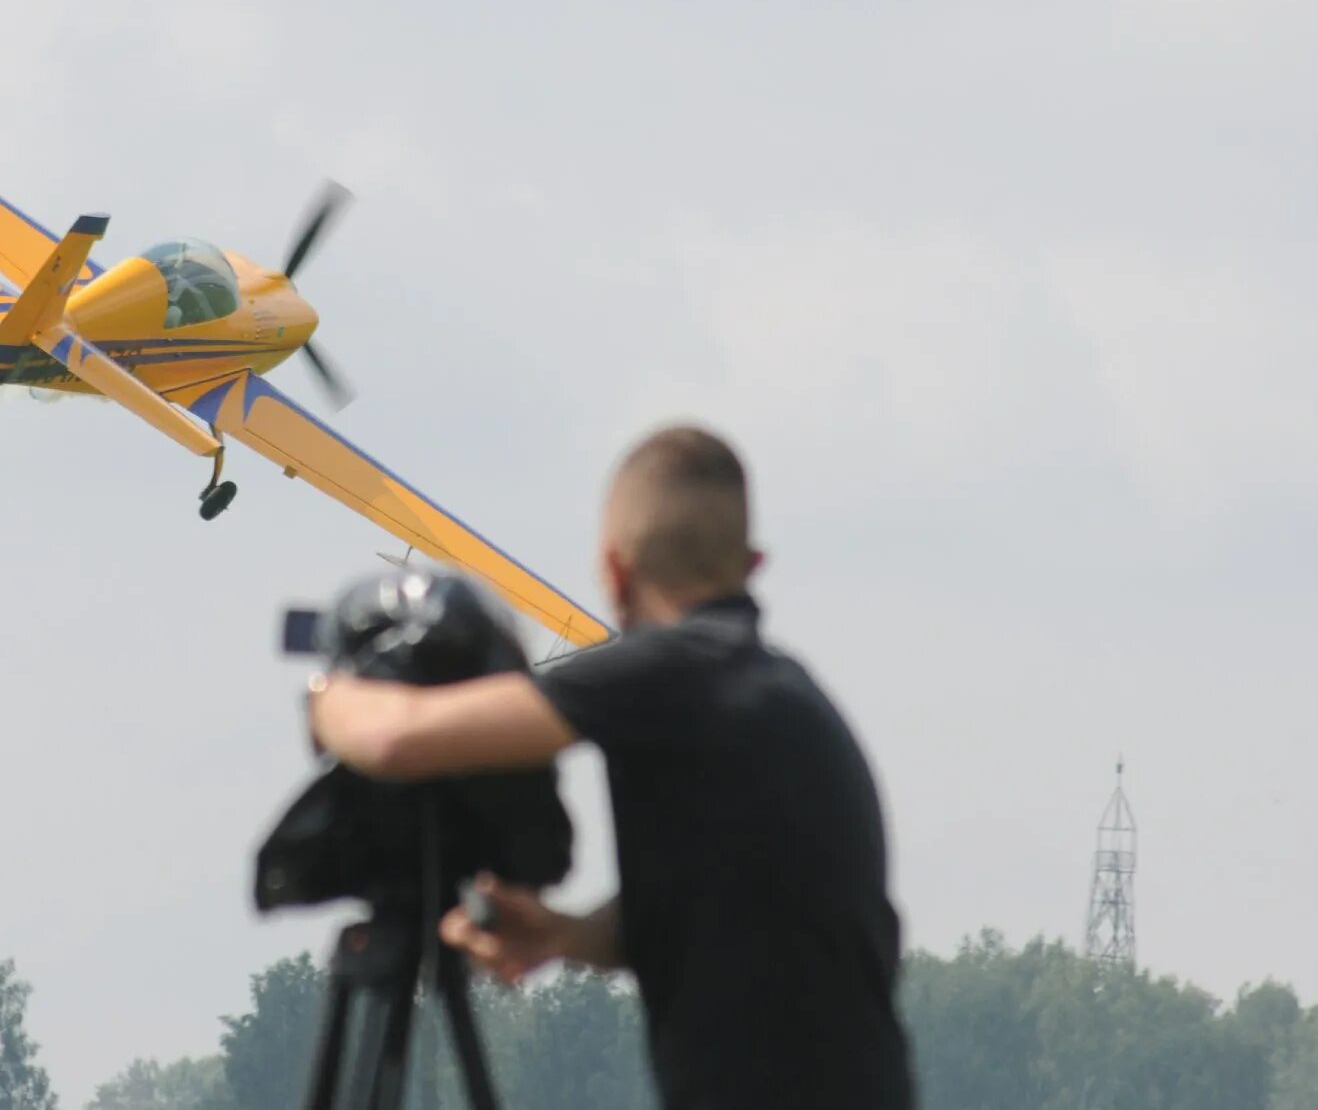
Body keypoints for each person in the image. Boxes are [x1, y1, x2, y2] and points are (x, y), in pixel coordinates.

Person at [305, 424, 915, 1109]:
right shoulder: (787, 701)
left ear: (617, 570)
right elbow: (729, 911)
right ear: (751, 564)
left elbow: (398, 742)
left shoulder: (672, 671)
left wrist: (329, 698)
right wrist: (564, 934)